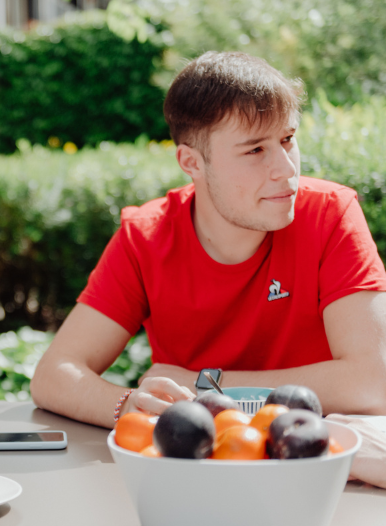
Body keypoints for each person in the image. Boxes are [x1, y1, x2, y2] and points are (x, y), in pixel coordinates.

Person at [31, 52, 386, 430]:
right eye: (255, 150)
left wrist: (206, 385)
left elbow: (373, 382)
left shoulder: (330, 213)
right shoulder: (145, 236)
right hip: (193, 455)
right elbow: (53, 375)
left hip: (310, 450)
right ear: (191, 162)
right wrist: (127, 406)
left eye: (287, 140)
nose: (287, 170)